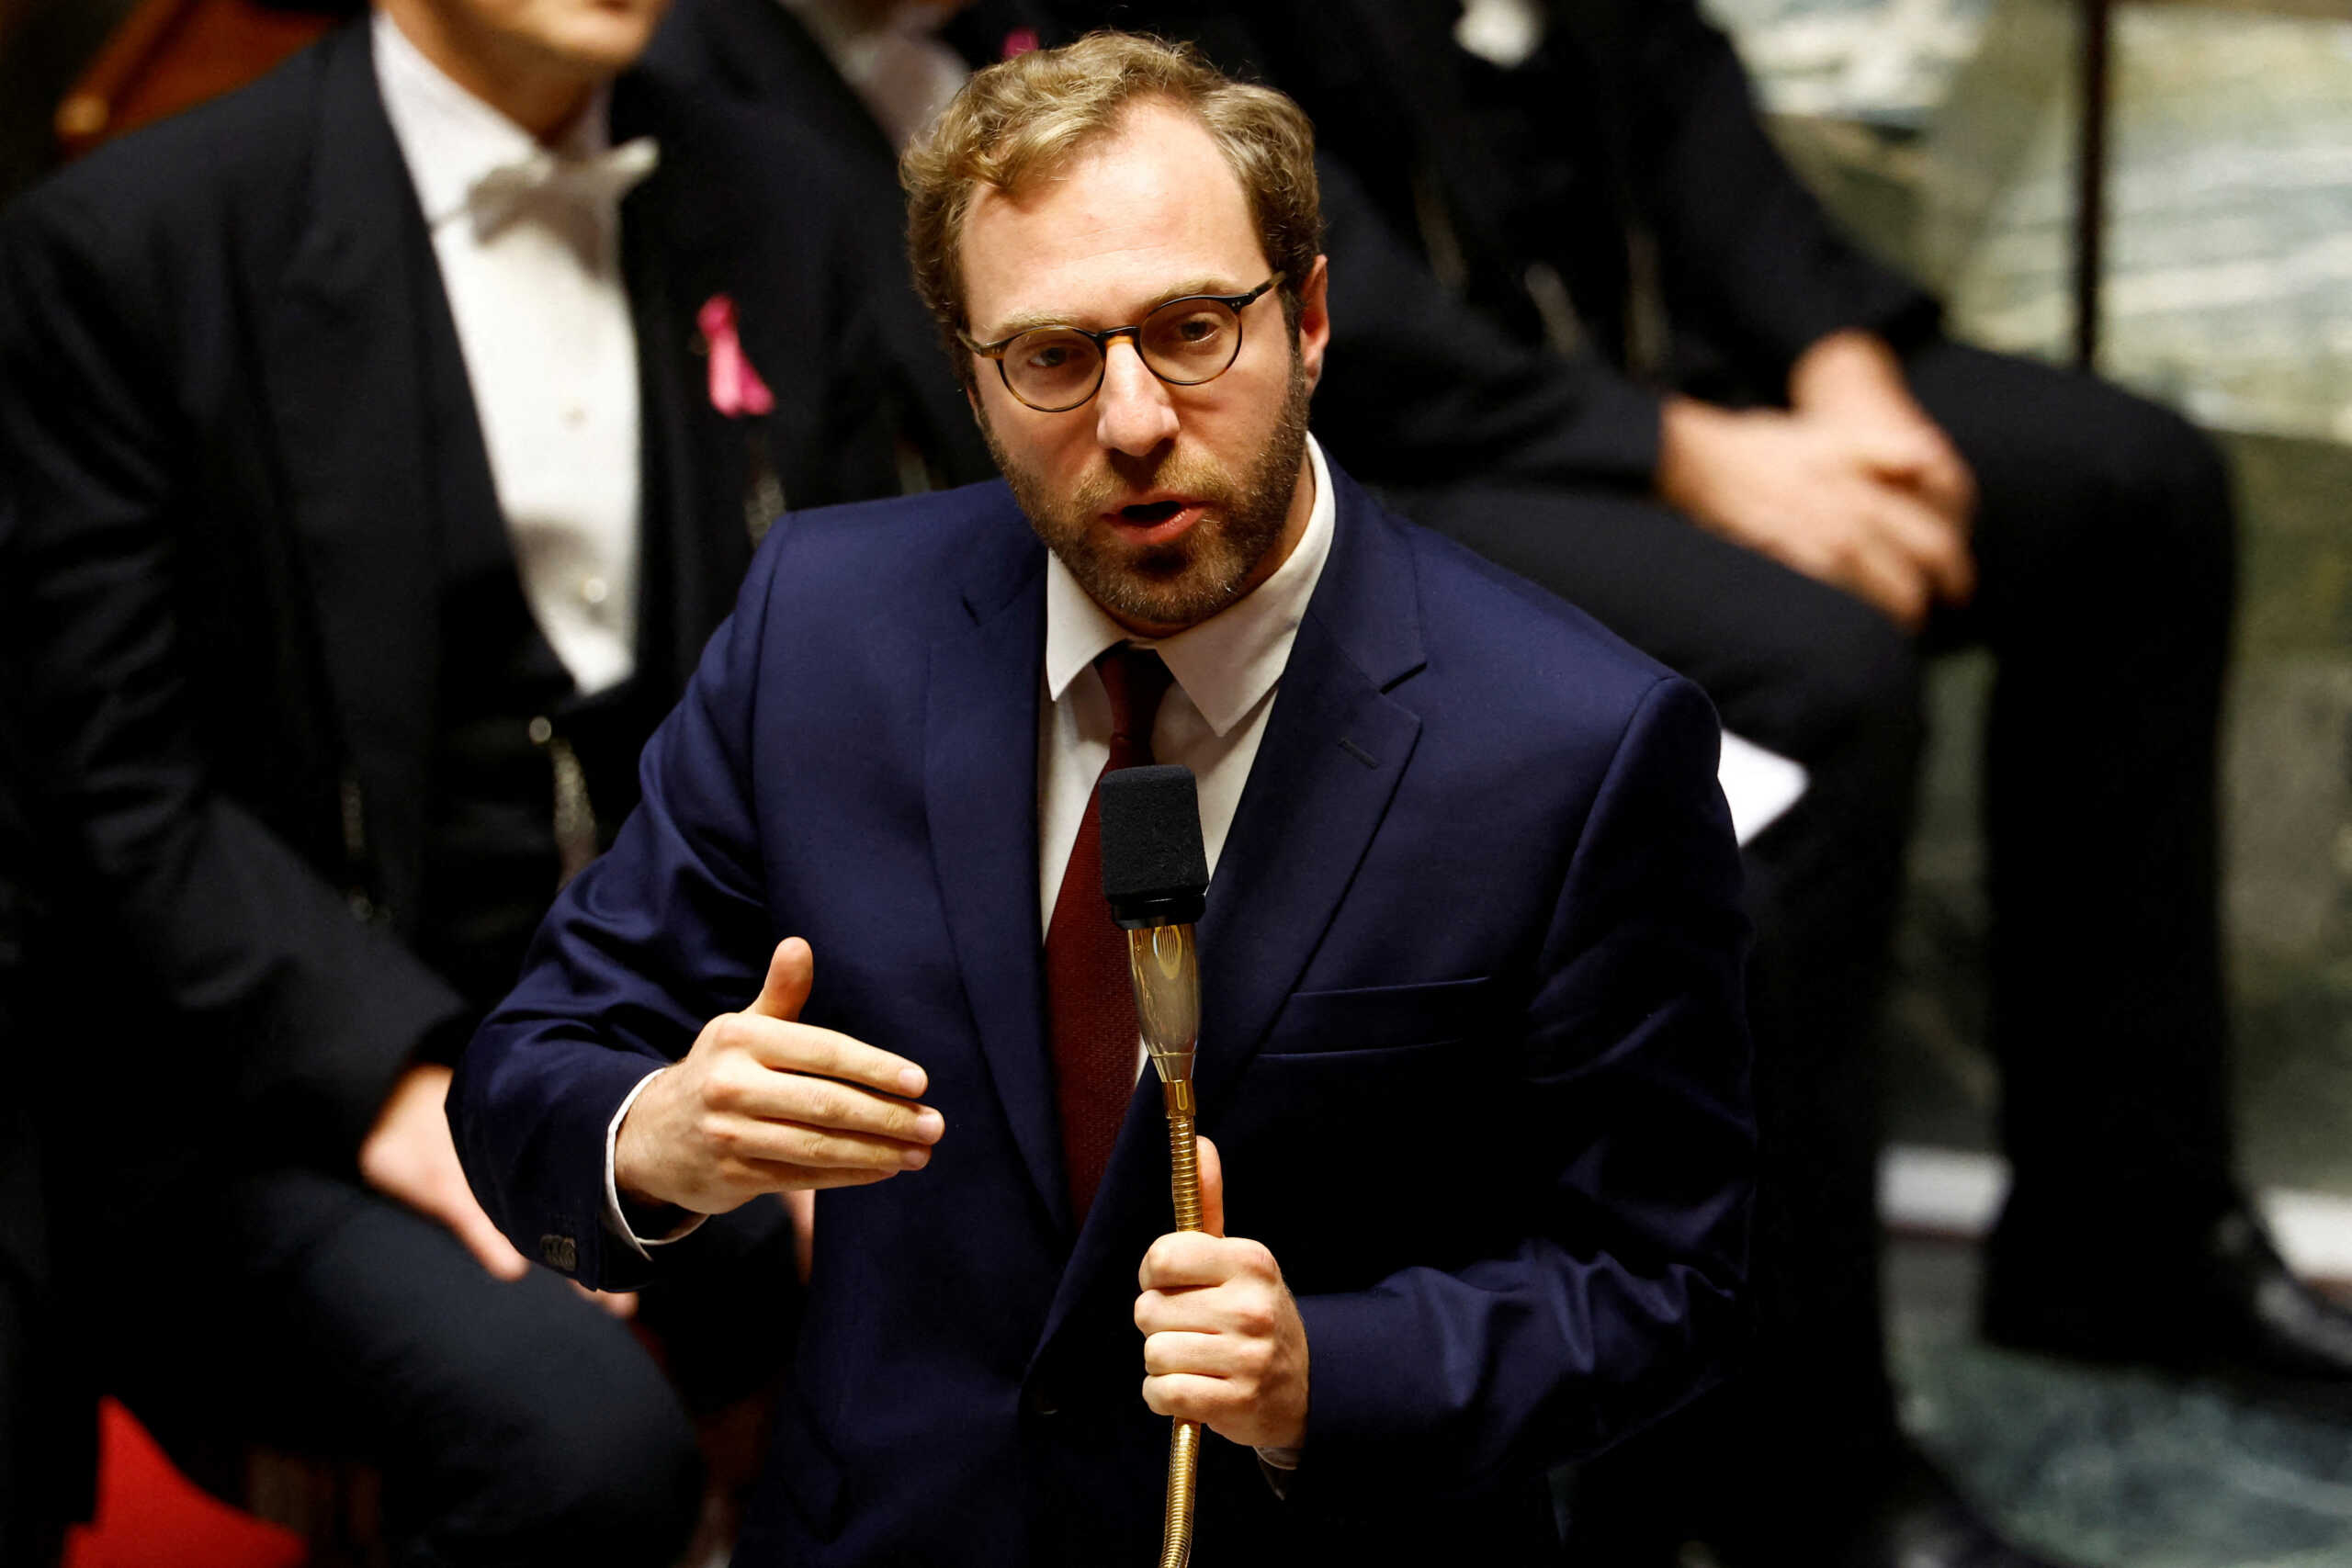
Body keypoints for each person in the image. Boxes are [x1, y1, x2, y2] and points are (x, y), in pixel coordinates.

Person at [450, 32, 1754, 1566]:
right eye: (1055, 358)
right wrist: (655, 1136)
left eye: (1193, 330)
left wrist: (1326, 1373)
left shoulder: (1575, 743)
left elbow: (1663, 1284)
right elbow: (527, 1075)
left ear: (1312, 319)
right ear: (973, 381)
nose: (1133, 421)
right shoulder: (824, 628)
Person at [0, 0, 928, 1556]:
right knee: (571, 1442)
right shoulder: (129, 248)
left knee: (969, 1289)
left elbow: (846, 686)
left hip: (667, 1018)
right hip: (276, 1074)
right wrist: (392, 1079)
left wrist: (843, 1060)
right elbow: (116, 788)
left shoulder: (777, 194)